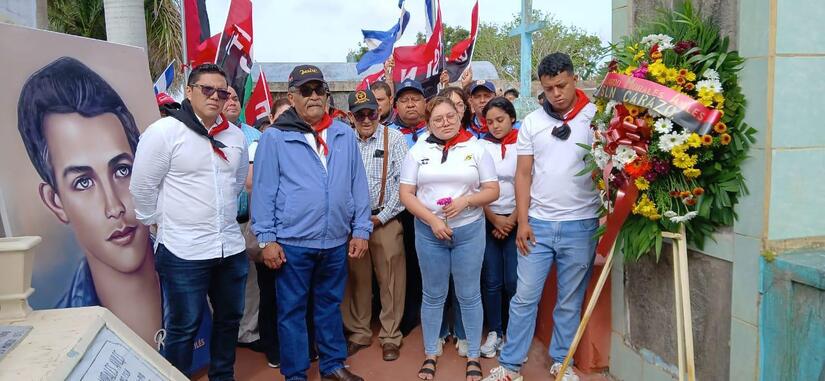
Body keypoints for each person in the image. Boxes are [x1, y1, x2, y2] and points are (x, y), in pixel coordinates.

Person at [17, 56, 162, 346]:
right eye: (83, 182)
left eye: (122, 170)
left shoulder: (194, 285)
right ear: (55, 201)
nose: (114, 207)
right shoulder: (56, 340)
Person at [251, 64, 371, 381]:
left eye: (319, 90)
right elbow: (262, 191)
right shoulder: (275, 137)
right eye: (306, 90)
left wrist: (361, 228)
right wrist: (266, 239)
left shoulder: (344, 133)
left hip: (334, 241)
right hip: (292, 242)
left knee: (330, 306)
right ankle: (295, 374)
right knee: (291, 311)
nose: (314, 96)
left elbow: (358, 183)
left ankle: (332, 365)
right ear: (292, 97)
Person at [130, 63, 249, 380]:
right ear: (190, 91)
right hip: (184, 251)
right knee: (183, 326)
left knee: (229, 320)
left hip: (230, 248)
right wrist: (157, 222)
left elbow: (235, 184)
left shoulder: (235, 137)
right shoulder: (164, 133)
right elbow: (142, 187)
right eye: (207, 89)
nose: (215, 96)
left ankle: (222, 376)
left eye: (221, 92)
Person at [484, 53, 599, 381]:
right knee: (524, 297)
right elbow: (523, 175)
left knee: (569, 299)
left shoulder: (595, 117)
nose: (556, 94)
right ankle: (509, 366)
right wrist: (523, 221)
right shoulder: (533, 122)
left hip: (582, 224)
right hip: (538, 225)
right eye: (549, 88)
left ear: (575, 78)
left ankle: (562, 363)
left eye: (561, 85)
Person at [399, 96, 499, 381]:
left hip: (468, 230)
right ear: (428, 123)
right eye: (437, 119)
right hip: (429, 233)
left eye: (450, 116)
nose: (445, 123)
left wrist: (467, 201)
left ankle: (473, 357)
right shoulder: (418, 151)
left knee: (469, 294)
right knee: (433, 294)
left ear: (459, 115)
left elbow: (492, 190)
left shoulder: (477, 148)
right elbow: (406, 194)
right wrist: (431, 220)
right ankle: (431, 352)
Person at [342, 89, 409, 361]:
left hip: (385, 219)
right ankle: (359, 332)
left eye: (371, 112)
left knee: (391, 279)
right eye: (360, 115)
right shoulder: (344, 141)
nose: (366, 119)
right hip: (353, 224)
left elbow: (404, 184)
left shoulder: (394, 138)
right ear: (350, 117)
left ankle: (391, 335)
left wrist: (381, 217)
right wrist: (353, 219)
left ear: (379, 112)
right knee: (357, 279)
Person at [222, 86, 264, 350]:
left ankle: (248, 332)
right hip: (219, 223)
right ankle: (223, 331)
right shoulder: (206, 135)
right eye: (227, 98)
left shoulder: (255, 136)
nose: (232, 102)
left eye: (236, 98)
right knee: (219, 281)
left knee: (250, 280)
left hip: (248, 220)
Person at [477, 97, 520, 359]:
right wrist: (494, 219)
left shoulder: (523, 144)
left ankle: (514, 335)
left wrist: (511, 220)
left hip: (517, 220)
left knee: (514, 281)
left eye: (500, 120)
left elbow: (530, 183)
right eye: (489, 121)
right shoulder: (480, 146)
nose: (494, 126)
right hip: (488, 220)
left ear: (512, 118)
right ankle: (495, 331)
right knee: (491, 280)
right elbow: (475, 186)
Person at [388, 79, 428, 336]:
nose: (410, 104)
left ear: (425, 103)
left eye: (415, 98)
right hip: (397, 211)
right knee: (403, 265)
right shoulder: (388, 133)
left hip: (431, 210)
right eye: (404, 99)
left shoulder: (436, 131)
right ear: (396, 106)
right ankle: (405, 314)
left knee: (426, 264)